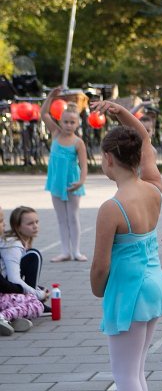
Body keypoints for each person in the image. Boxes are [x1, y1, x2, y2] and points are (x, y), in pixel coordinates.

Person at [88, 101, 162, 391]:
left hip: (128, 290)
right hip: (152, 284)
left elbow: (100, 264)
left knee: (125, 375)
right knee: (135, 371)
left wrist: (97, 290)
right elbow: (146, 142)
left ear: (108, 159)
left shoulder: (112, 206)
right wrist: (122, 112)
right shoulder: (153, 187)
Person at [41, 87, 88, 262]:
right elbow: (44, 114)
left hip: (72, 182)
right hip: (56, 181)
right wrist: (51, 97)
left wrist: (81, 181)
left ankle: (76, 250)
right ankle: (64, 250)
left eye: (72, 122)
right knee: (61, 218)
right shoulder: (55, 133)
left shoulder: (78, 142)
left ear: (77, 124)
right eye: (66, 121)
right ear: (60, 121)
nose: (68, 125)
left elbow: (84, 165)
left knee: (73, 217)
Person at [0, 206, 48, 330]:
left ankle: (12, 319)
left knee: (34, 300)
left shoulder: (17, 242)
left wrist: (38, 290)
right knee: (37, 305)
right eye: (30, 223)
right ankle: (3, 317)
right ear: (17, 226)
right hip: (3, 294)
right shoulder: (13, 244)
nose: (35, 226)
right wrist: (37, 294)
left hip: (5, 292)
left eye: (37, 222)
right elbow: (13, 279)